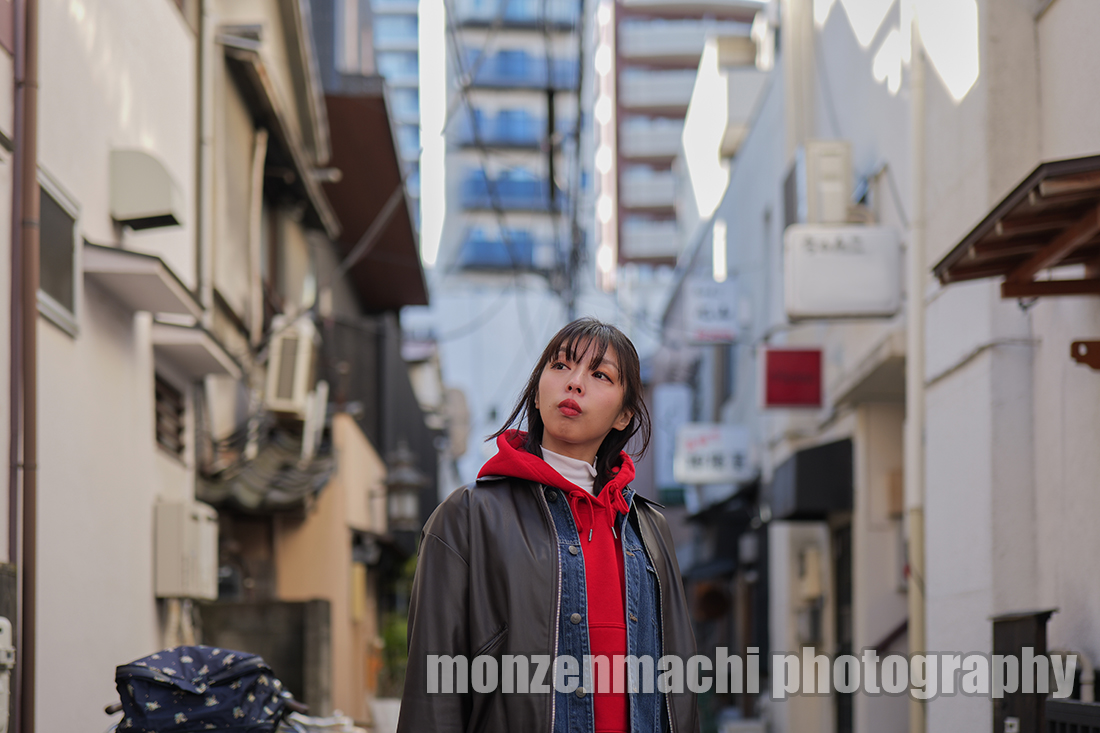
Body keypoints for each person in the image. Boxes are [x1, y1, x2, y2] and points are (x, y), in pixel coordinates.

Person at [397, 318, 699, 733]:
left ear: (624, 414)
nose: (574, 383)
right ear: (537, 393)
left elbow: (677, 681)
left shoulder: (648, 528)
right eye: (560, 366)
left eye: (600, 375)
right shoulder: (467, 517)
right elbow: (433, 690)